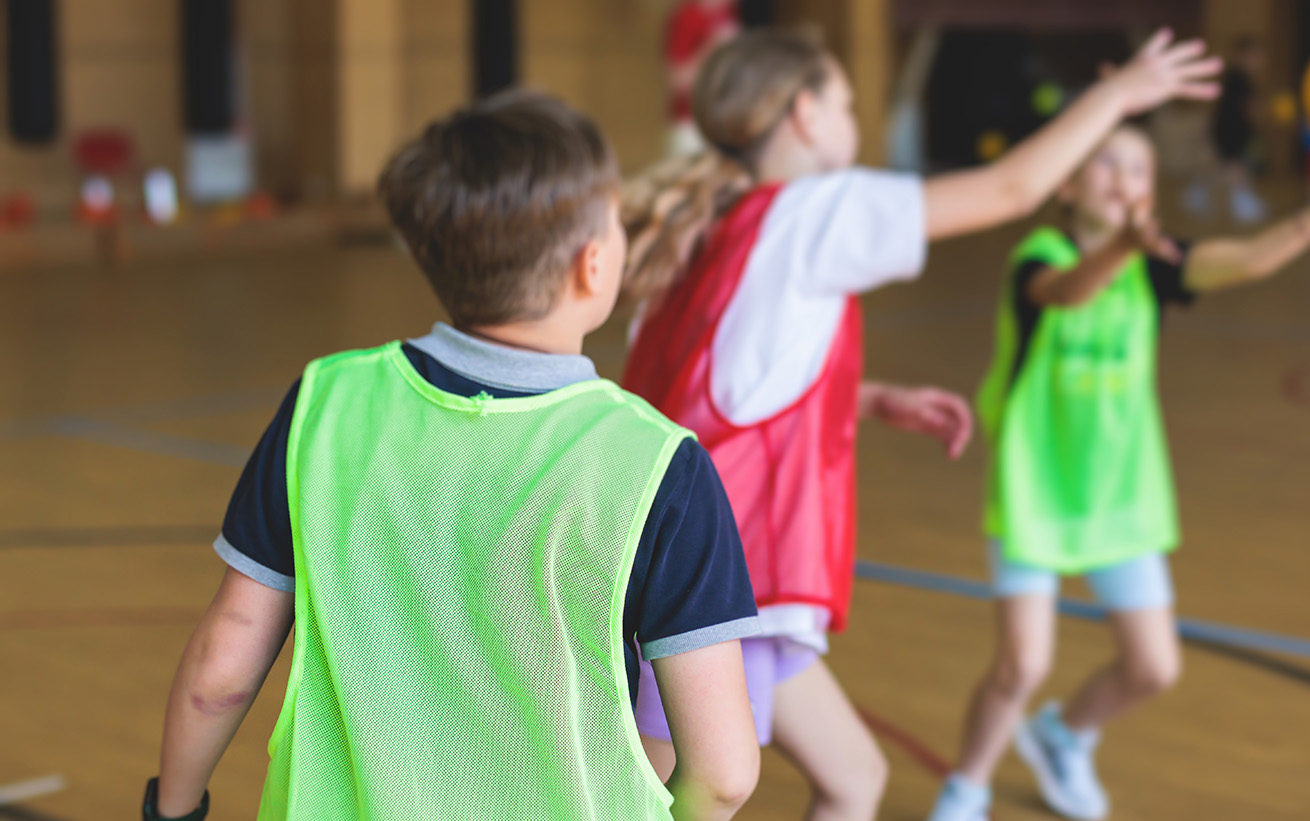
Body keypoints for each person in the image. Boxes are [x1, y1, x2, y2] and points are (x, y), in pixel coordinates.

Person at [619, 27, 1222, 821]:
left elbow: (721, 381)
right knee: (653, 803)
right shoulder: (808, 213)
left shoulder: (709, 224)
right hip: (721, 575)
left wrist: (863, 397)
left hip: (696, 562)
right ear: (803, 115)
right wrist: (1117, 94)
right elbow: (1008, 189)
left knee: (853, 779)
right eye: (842, 100)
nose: (852, 116)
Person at [142, 92, 763, 821]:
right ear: (593, 265)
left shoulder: (326, 403)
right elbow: (723, 772)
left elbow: (222, 666)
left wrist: (172, 810)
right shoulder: (659, 464)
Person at [929, 126, 1310, 821]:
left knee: (1153, 667)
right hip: (1034, 489)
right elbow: (1065, 293)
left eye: (1138, 166)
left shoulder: (1152, 264)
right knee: (1020, 665)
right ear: (1065, 183)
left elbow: (1247, 259)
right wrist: (1122, 247)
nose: (1124, 176)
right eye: (1106, 160)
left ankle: (1063, 732)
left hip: (1121, 493)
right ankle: (966, 786)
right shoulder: (1036, 258)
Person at [664, 0, 742, 156]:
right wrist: (710, 47)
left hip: (722, 122)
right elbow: (677, 83)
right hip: (689, 126)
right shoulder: (687, 17)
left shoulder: (729, 13)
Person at [1212, 36, 1268, 223]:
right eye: (1256, 55)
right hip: (1231, 131)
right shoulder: (1238, 78)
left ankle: (1241, 204)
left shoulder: (1238, 77)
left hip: (1234, 131)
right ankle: (1241, 206)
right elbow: (1248, 108)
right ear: (1244, 55)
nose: (1259, 59)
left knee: (1234, 169)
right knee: (1236, 169)